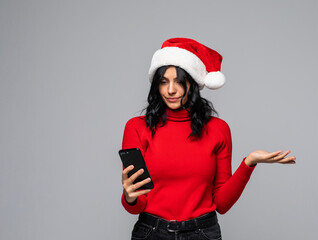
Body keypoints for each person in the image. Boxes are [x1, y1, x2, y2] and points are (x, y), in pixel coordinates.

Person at [121, 38, 296, 240]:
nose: (170, 90)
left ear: (193, 83)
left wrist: (249, 162)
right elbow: (136, 205)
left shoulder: (217, 130)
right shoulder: (137, 127)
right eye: (163, 82)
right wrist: (129, 197)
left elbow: (221, 204)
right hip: (151, 232)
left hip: (202, 233)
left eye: (179, 81)